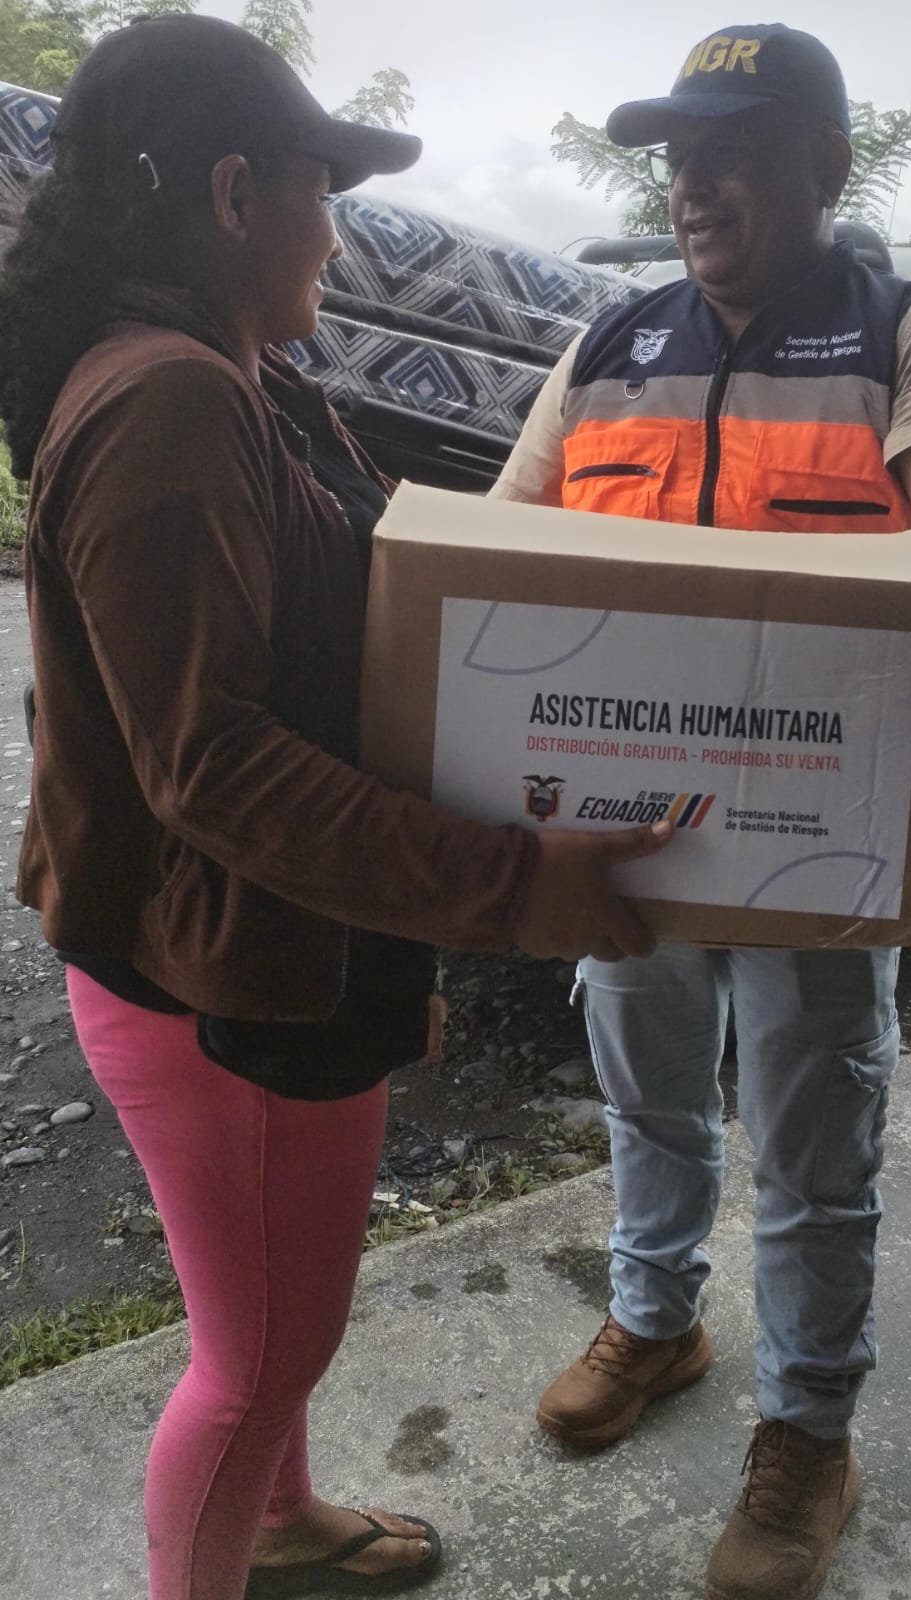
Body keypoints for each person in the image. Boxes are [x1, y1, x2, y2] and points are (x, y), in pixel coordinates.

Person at [0, 16, 672, 1600]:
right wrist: (515, 881)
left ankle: (283, 1524)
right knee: (257, 1361)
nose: (337, 233)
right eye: (323, 192)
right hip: (215, 981)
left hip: (259, 949)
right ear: (236, 194)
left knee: (271, 1324)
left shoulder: (237, 379)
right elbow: (210, 763)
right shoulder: (168, 403)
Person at [491, 23, 911, 1600]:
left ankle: (809, 1429)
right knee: (647, 1102)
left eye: (733, 151)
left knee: (815, 1152)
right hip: (628, 833)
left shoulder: (903, 334)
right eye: (679, 157)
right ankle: (655, 1321)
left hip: (819, 838)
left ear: (824, 164)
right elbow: (503, 544)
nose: (693, 185)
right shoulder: (609, 343)